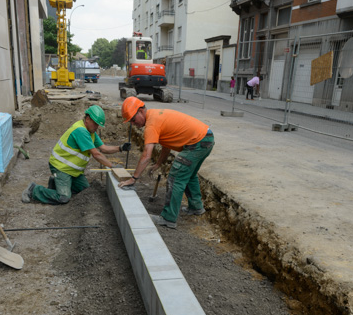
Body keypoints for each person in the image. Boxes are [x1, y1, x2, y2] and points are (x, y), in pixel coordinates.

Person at [119, 97, 214, 229]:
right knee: (189, 175)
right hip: (206, 138)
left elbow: (146, 155)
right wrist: (158, 164)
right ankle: (196, 207)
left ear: (140, 111)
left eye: (133, 120)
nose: (133, 124)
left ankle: (168, 218)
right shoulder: (156, 116)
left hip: (197, 142)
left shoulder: (151, 124)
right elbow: (166, 145)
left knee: (175, 177)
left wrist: (133, 178)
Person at [22, 105, 131, 205]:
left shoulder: (90, 132)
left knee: (85, 190)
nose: (97, 127)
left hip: (73, 171)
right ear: (87, 119)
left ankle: (55, 183)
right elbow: (96, 154)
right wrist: (112, 167)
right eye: (95, 123)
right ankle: (34, 190)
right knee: (63, 197)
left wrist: (120, 148)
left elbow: (103, 148)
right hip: (61, 167)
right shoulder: (81, 131)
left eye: (98, 125)